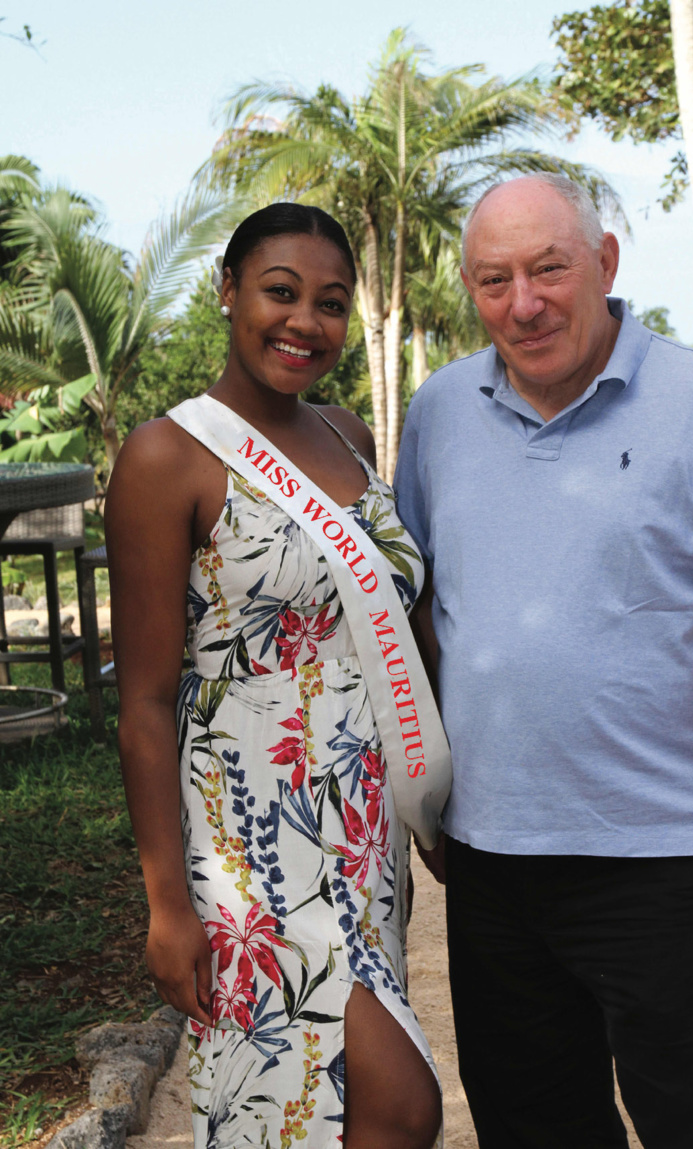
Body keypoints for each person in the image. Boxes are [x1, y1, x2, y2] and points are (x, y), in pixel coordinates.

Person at [395, 173, 693, 1149]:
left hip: (672, 868)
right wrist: (430, 794)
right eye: (494, 280)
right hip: (492, 867)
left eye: (548, 269)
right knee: (533, 1127)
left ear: (606, 263)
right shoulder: (440, 412)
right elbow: (420, 613)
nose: (523, 303)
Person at [105, 203, 446, 1149]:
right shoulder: (165, 456)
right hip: (248, 836)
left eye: (330, 303)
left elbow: (397, 627)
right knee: (396, 1103)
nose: (306, 322)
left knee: (313, 1109)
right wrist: (167, 901)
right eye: (281, 292)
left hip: (362, 829)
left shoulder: (348, 436)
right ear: (228, 293)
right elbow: (140, 702)